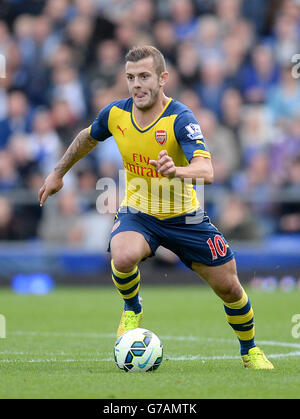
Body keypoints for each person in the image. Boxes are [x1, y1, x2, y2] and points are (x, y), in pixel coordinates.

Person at [39, 45, 273, 370]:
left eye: (144, 76)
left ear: (163, 78)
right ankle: (132, 307)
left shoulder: (180, 118)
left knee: (230, 287)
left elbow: (207, 171)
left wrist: (178, 171)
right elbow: (86, 137)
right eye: (131, 77)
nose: (137, 84)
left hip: (185, 217)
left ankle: (250, 351)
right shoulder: (115, 114)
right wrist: (57, 172)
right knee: (122, 255)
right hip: (139, 212)